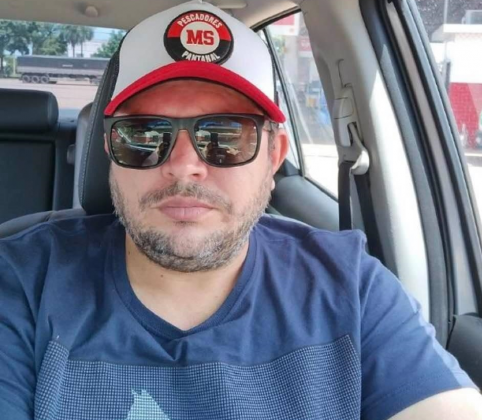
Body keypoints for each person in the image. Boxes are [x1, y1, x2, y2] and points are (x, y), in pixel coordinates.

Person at [0, 2, 481, 419]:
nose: (184, 166)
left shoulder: (351, 288)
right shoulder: (23, 283)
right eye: (145, 134)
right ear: (111, 153)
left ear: (274, 157)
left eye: (226, 136)